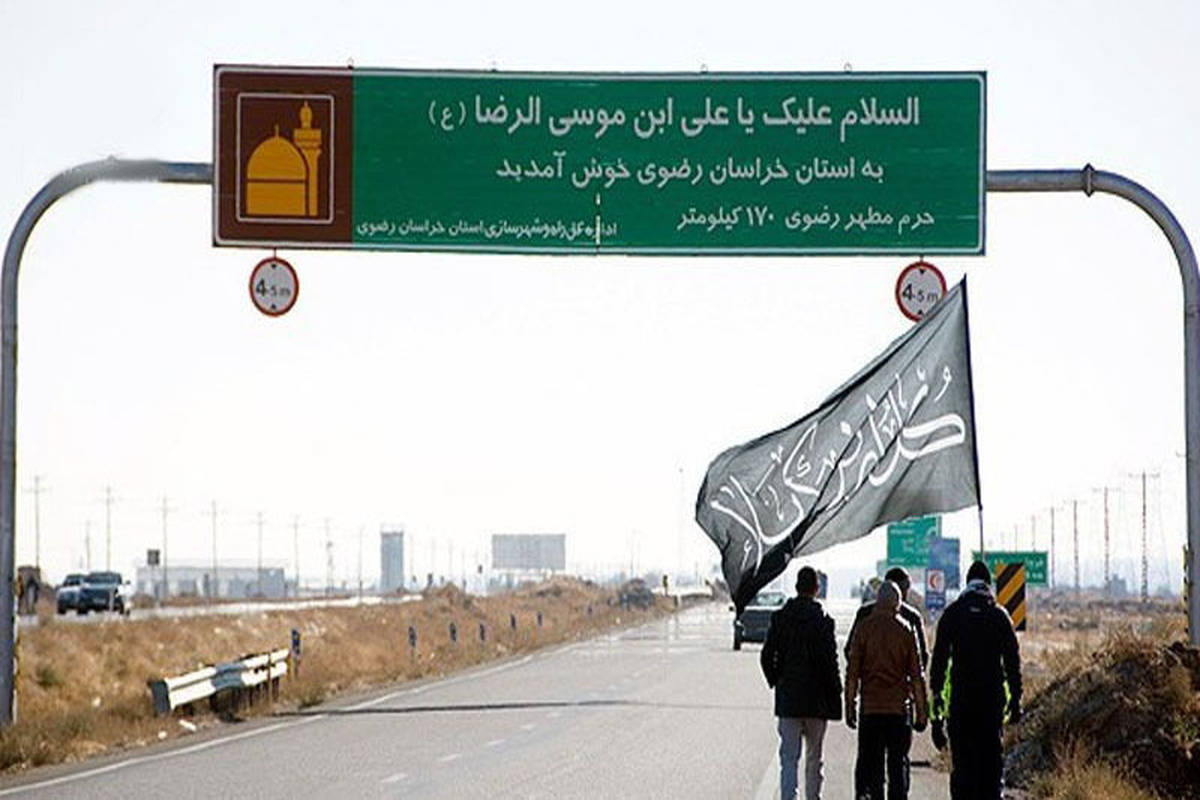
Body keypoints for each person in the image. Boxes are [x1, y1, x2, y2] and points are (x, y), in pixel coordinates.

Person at [929, 560, 1022, 800]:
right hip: (991, 706)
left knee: (963, 768)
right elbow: (1013, 662)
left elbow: (939, 661)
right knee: (990, 767)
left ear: (967, 582)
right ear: (988, 584)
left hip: (961, 705)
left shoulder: (952, 614)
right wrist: (1016, 700)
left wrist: (936, 708)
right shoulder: (999, 615)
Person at [760, 566, 842, 800]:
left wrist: (777, 680)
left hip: (789, 700)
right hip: (817, 702)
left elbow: (766, 656)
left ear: (797, 587)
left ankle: (788, 797)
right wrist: (836, 692)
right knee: (814, 758)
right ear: (817, 589)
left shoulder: (781, 618)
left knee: (789, 758)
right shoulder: (824, 621)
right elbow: (830, 662)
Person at [845, 580, 928, 800]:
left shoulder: (864, 628)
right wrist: (922, 712)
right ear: (897, 603)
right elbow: (917, 676)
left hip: (870, 710)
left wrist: (850, 706)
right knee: (897, 765)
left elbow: (852, 673)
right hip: (898, 711)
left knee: (873, 766)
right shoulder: (906, 630)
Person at [845, 567, 929, 671]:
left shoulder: (865, 613)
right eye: (906, 587)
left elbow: (850, 650)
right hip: (901, 681)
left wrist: (865, 672)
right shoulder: (912, 617)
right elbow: (922, 658)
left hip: (869, 680)